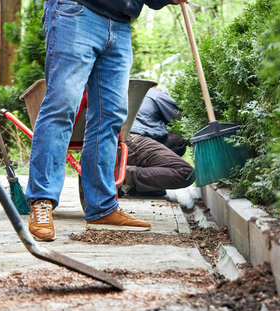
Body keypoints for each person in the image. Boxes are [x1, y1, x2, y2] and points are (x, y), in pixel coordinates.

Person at [26, 0, 188, 242]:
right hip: (77, 11)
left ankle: (102, 207)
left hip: (121, 23)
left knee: (110, 117)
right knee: (62, 108)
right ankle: (42, 201)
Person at [121, 88, 195, 197]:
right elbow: (183, 124)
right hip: (133, 140)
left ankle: (145, 188)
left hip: (112, 143)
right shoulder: (156, 94)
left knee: (173, 140)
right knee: (185, 173)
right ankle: (123, 174)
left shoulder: (121, 93)